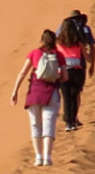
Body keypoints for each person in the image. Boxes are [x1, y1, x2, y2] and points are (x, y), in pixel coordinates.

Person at [10, 30, 68, 166]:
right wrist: (55, 77)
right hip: (51, 93)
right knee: (49, 124)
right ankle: (48, 158)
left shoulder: (34, 53)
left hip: (35, 93)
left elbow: (23, 73)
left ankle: (38, 157)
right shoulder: (59, 55)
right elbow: (65, 77)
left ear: (41, 40)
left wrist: (15, 91)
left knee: (35, 124)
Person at [56, 18, 89, 131]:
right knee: (74, 97)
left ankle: (68, 123)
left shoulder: (58, 42)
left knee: (66, 98)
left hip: (63, 71)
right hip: (76, 71)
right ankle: (73, 122)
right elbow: (87, 57)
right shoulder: (78, 42)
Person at [59, 9, 95, 82]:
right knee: (78, 82)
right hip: (81, 58)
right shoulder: (85, 28)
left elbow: (56, 42)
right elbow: (92, 47)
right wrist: (92, 64)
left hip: (66, 60)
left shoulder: (64, 27)